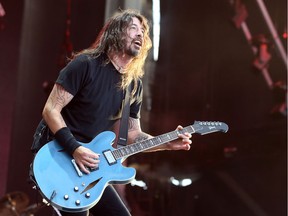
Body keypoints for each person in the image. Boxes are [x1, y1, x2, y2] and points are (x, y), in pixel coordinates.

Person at [32, 9, 192, 216]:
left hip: (92, 166)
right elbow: (51, 110)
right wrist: (75, 149)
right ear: (116, 33)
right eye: (133, 28)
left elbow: (132, 135)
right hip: (61, 157)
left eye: (143, 31)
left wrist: (166, 143)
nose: (140, 34)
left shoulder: (133, 86)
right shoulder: (85, 65)